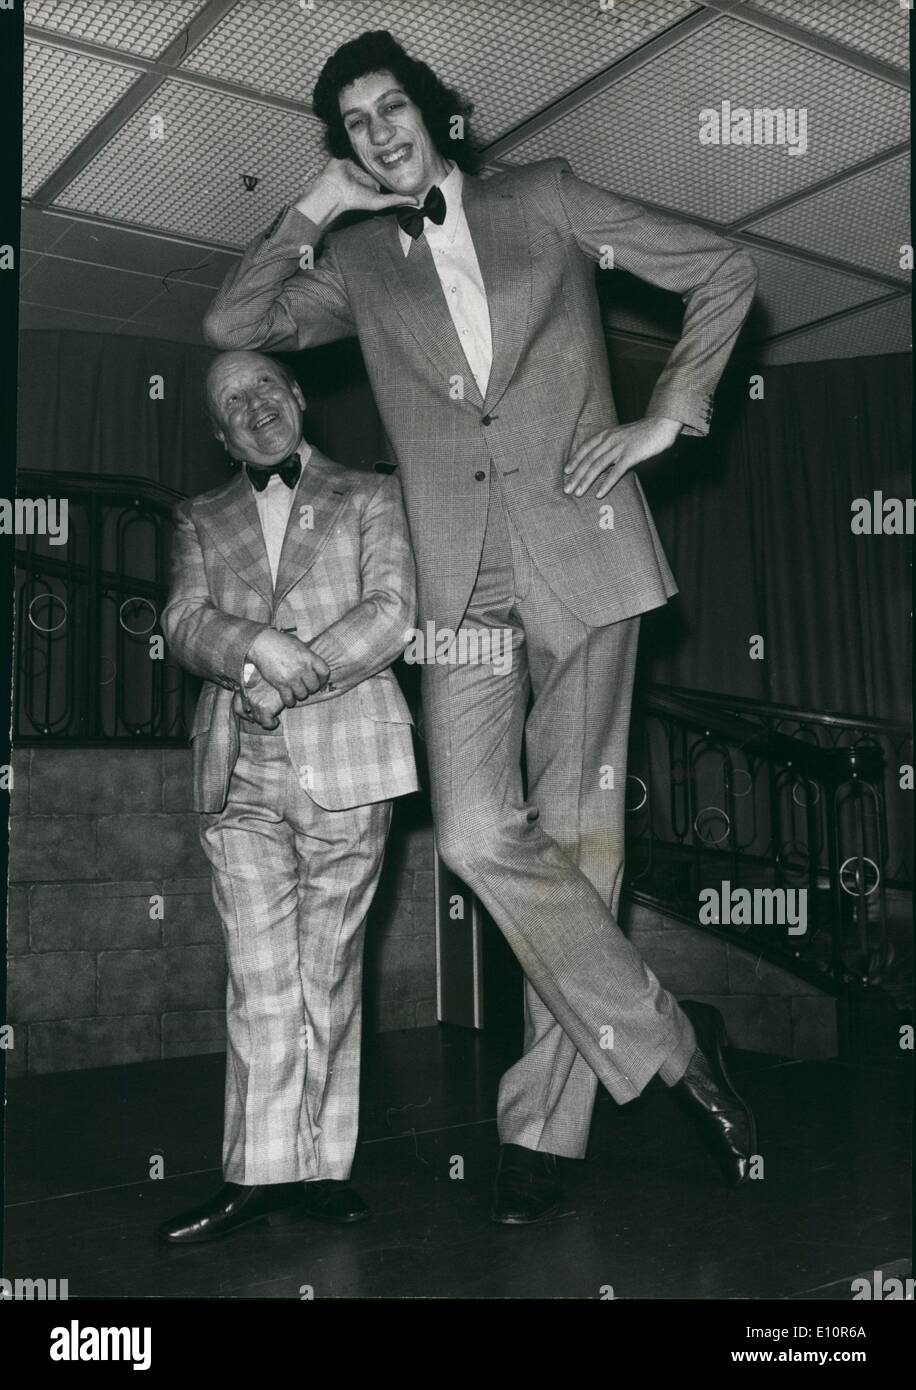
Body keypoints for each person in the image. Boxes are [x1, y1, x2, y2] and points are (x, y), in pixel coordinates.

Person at [203, 30, 760, 1224]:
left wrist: (671, 416)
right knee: (469, 834)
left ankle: (544, 1130)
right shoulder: (357, 261)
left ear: (436, 112)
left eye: (390, 107)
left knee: (582, 843)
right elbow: (234, 319)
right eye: (352, 123)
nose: (378, 132)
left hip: (589, 557)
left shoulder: (544, 197)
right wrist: (317, 201)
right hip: (460, 594)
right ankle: (670, 1034)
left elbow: (723, 269)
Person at [158, 348, 418, 1243]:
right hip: (238, 769)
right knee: (259, 979)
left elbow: (391, 612)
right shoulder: (198, 516)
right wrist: (252, 648)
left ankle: (320, 1167)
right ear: (220, 432)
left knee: (329, 972)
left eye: (267, 384)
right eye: (235, 398)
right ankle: (258, 1172)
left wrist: (292, 678)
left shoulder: (373, 494)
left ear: (299, 395)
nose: (256, 403)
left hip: (351, 762)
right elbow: (184, 622)